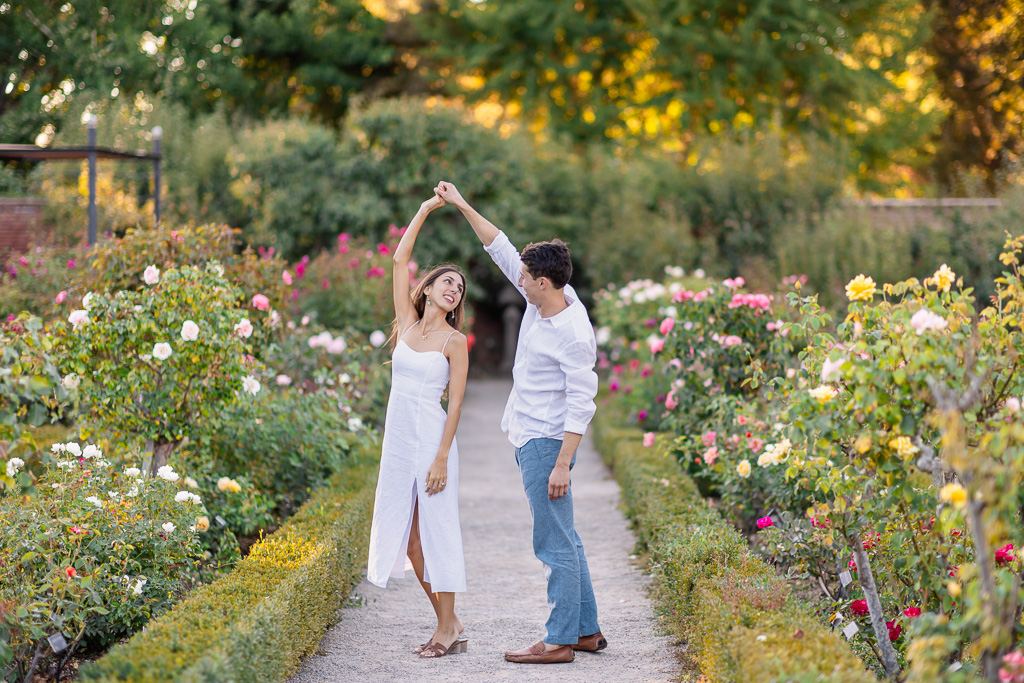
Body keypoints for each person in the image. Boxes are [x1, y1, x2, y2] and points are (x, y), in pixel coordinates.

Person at [433, 180, 607, 665]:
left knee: (552, 543)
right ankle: (586, 631)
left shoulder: (572, 333)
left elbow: (582, 402)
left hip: (547, 443)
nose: (519, 282)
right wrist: (462, 203)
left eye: (527, 279)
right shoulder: (545, 296)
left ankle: (558, 640)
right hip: (531, 433)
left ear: (544, 283)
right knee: (566, 537)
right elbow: (499, 246)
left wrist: (561, 465)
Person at [365, 191, 470, 659]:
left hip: (432, 441)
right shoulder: (406, 325)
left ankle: (447, 629)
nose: (453, 289)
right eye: (446, 282)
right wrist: (428, 208)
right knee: (409, 543)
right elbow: (399, 258)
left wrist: (441, 457)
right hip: (399, 439)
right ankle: (450, 623)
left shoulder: (455, 341)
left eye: (460, 288)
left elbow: (457, 406)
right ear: (427, 289)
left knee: (436, 533)